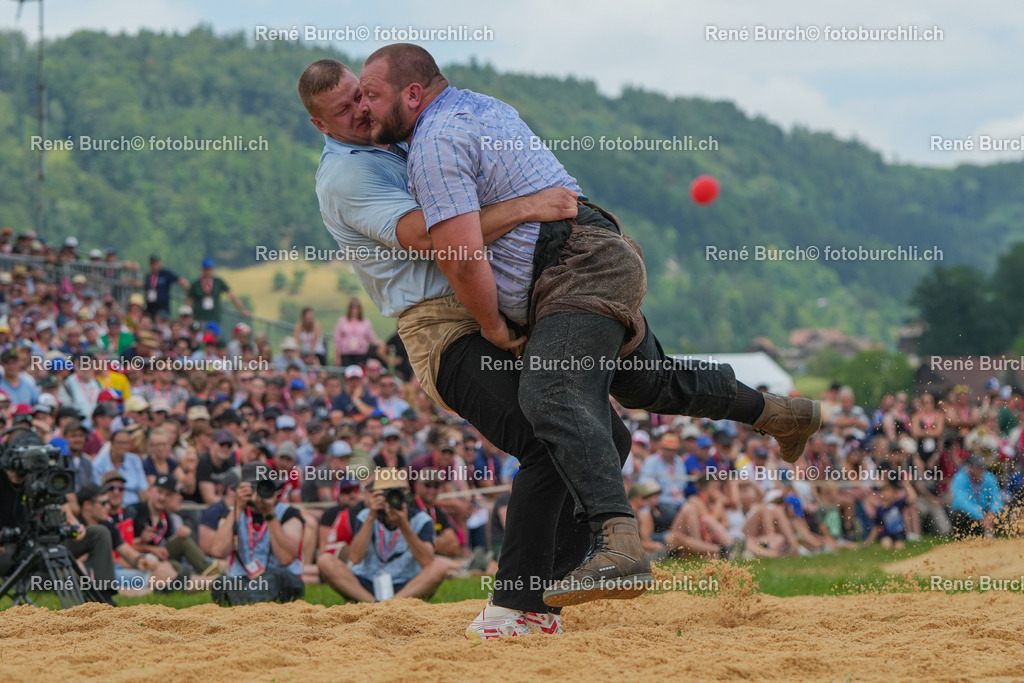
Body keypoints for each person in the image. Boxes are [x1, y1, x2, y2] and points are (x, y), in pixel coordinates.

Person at [298, 56, 816, 634]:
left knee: (611, 430)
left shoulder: (409, 138)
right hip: (448, 328)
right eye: (346, 108)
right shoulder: (349, 174)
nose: (361, 111)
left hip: (514, 302)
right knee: (549, 434)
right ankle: (521, 604)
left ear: (406, 93)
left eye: (362, 96)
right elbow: (434, 238)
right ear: (321, 124)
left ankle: (554, 592)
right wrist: (527, 209)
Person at [317, 467, 447, 602]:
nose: (390, 498)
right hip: (367, 581)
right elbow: (355, 558)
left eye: (396, 492)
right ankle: (373, 603)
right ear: (374, 495)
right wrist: (371, 517)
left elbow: (427, 561)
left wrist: (403, 525)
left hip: (405, 583)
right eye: (385, 493)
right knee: (325, 561)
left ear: (405, 496)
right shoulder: (365, 516)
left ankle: (393, 603)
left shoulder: (421, 520)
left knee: (439, 567)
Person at [208, 462, 306, 604]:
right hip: (244, 578)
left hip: (282, 579)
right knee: (222, 582)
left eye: (263, 486)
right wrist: (238, 507)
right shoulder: (231, 514)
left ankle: (244, 601)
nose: (258, 493)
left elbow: (285, 559)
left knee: (274, 577)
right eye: (253, 487)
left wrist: (269, 513)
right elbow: (217, 551)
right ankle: (247, 600)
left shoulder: (289, 514)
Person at [950, 454, 1004, 537]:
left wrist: (992, 513)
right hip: (971, 514)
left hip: (987, 512)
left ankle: (994, 533)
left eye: (983, 467)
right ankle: (964, 536)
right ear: (970, 468)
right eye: (978, 467)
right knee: (957, 515)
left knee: (1003, 513)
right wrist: (981, 516)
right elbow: (963, 503)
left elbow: (997, 498)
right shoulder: (960, 478)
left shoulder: (989, 477)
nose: (981, 470)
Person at [186, 258, 249, 324]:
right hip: (199, 319)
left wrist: (242, 309)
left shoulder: (218, 282)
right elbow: (189, 302)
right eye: (205, 269)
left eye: (209, 269)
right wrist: (187, 318)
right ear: (202, 269)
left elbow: (231, 295)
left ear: (213, 269)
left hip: (214, 319)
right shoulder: (195, 284)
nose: (207, 272)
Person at [332, 298, 380, 367]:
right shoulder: (342, 321)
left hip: (361, 353)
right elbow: (337, 340)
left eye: (357, 308)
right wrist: (337, 357)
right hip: (346, 354)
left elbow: (372, 337)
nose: (354, 310)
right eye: (352, 308)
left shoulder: (365, 322)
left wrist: (382, 343)